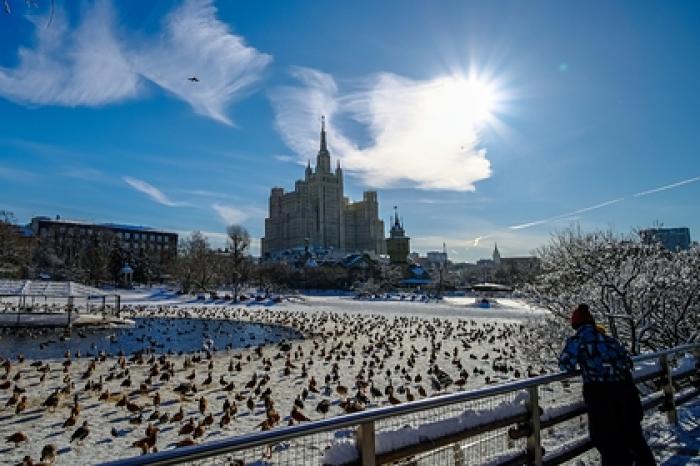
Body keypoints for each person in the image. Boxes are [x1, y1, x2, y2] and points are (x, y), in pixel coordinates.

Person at [559, 303, 656, 466]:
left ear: (575, 324)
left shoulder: (577, 341)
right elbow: (627, 362)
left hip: (600, 395)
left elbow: (565, 364)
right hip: (625, 392)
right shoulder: (610, 340)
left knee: (608, 440)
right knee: (633, 436)